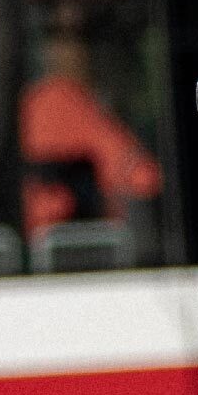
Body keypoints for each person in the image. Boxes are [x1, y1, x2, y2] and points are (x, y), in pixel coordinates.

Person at [19, 26, 162, 237]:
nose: (71, 52)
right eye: (59, 42)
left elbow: (144, 176)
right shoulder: (46, 101)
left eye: (77, 42)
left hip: (101, 236)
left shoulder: (90, 101)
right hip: (57, 237)